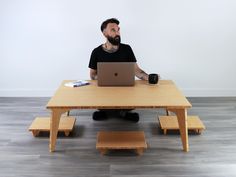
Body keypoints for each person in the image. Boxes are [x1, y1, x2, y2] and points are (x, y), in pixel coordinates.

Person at [88, 18, 149, 123]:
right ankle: (118, 112)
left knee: (131, 103)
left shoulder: (127, 49)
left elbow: (137, 71)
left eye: (118, 30)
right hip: (105, 91)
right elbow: (93, 75)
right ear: (104, 33)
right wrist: (106, 78)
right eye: (113, 30)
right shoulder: (96, 52)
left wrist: (149, 77)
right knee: (99, 102)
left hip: (124, 90)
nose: (117, 33)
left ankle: (115, 111)